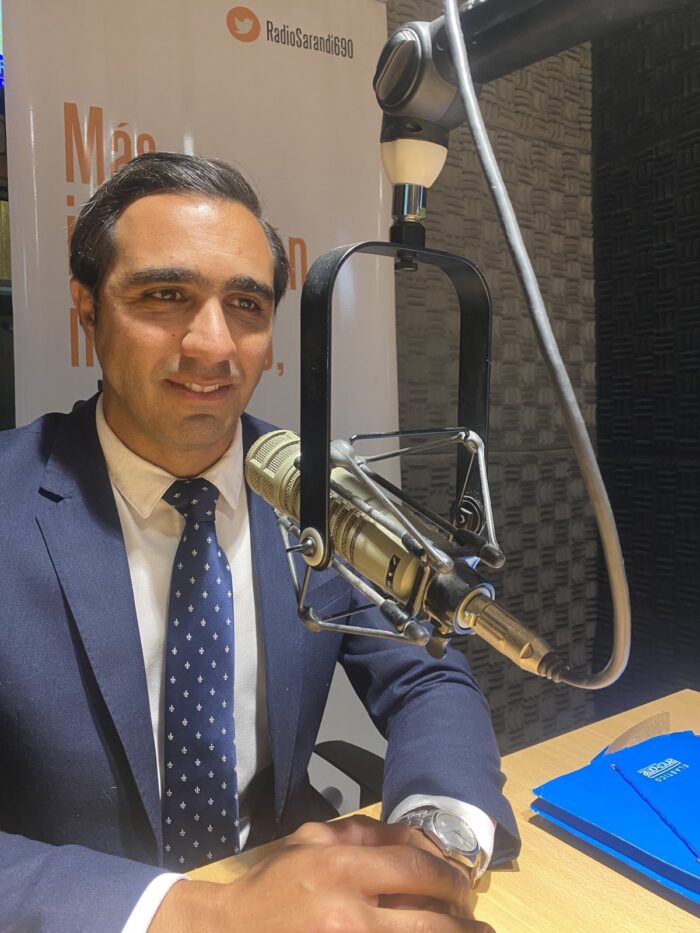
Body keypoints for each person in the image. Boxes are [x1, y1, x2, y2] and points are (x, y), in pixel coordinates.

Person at [0, 151, 518, 932]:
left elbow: (426, 675)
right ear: (87, 307)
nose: (214, 344)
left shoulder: (319, 493)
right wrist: (205, 913)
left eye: (245, 303)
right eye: (165, 295)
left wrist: (436, 840)